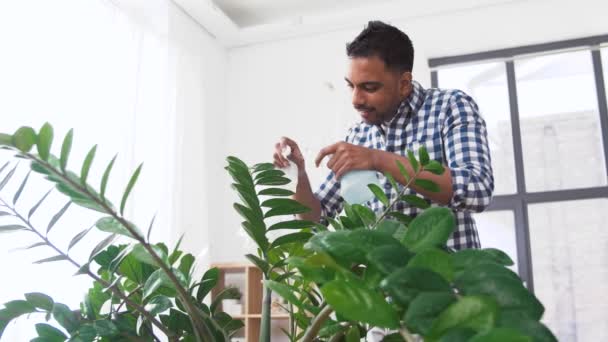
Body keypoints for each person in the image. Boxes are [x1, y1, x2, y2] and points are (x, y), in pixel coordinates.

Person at [273, 20, 493, 251]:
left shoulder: (450, 106)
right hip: (380, 285)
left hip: (448, 282)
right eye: (351, 86)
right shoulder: (358, 136)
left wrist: (377, 159)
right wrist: (298, 174)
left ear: (404, 84)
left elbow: (476, 190)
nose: (356, 100)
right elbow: (315, 219)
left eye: (369, 88)